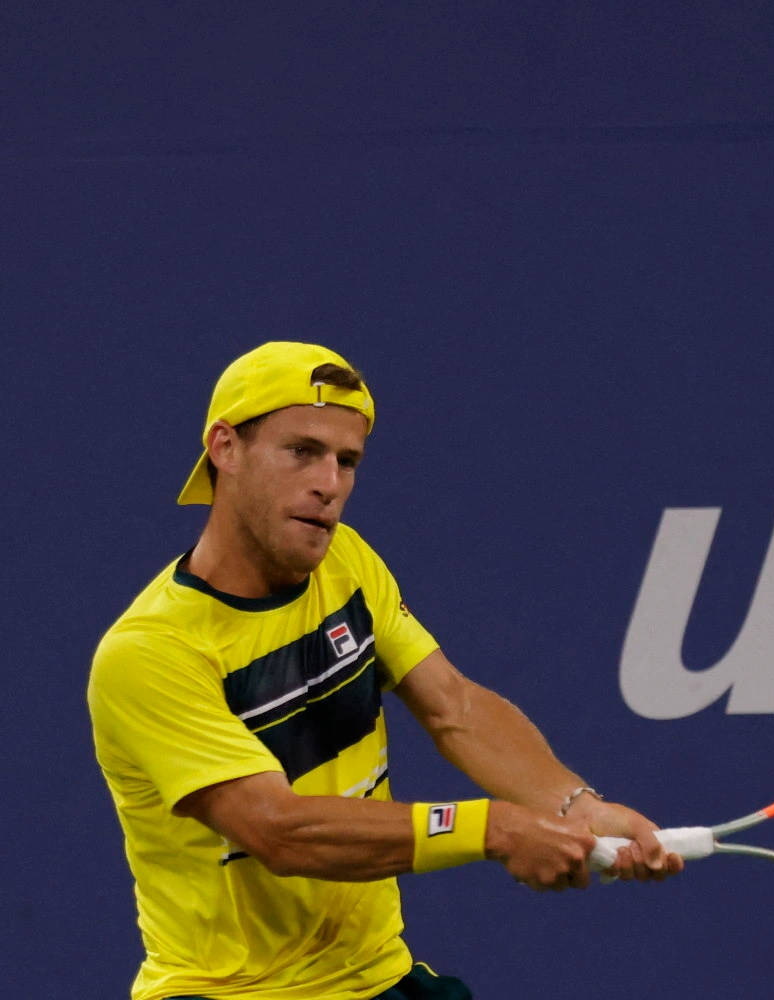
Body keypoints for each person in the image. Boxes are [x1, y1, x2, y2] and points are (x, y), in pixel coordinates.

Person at [88, 342, 682, 1000]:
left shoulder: (345, 562)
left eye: (347, 461)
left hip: (377, 978)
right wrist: (493, 828)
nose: (330, 484)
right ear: (225, 448)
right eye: (302, 451)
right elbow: (276, 828)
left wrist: (579, 807)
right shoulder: (151, 652)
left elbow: (453, 708)